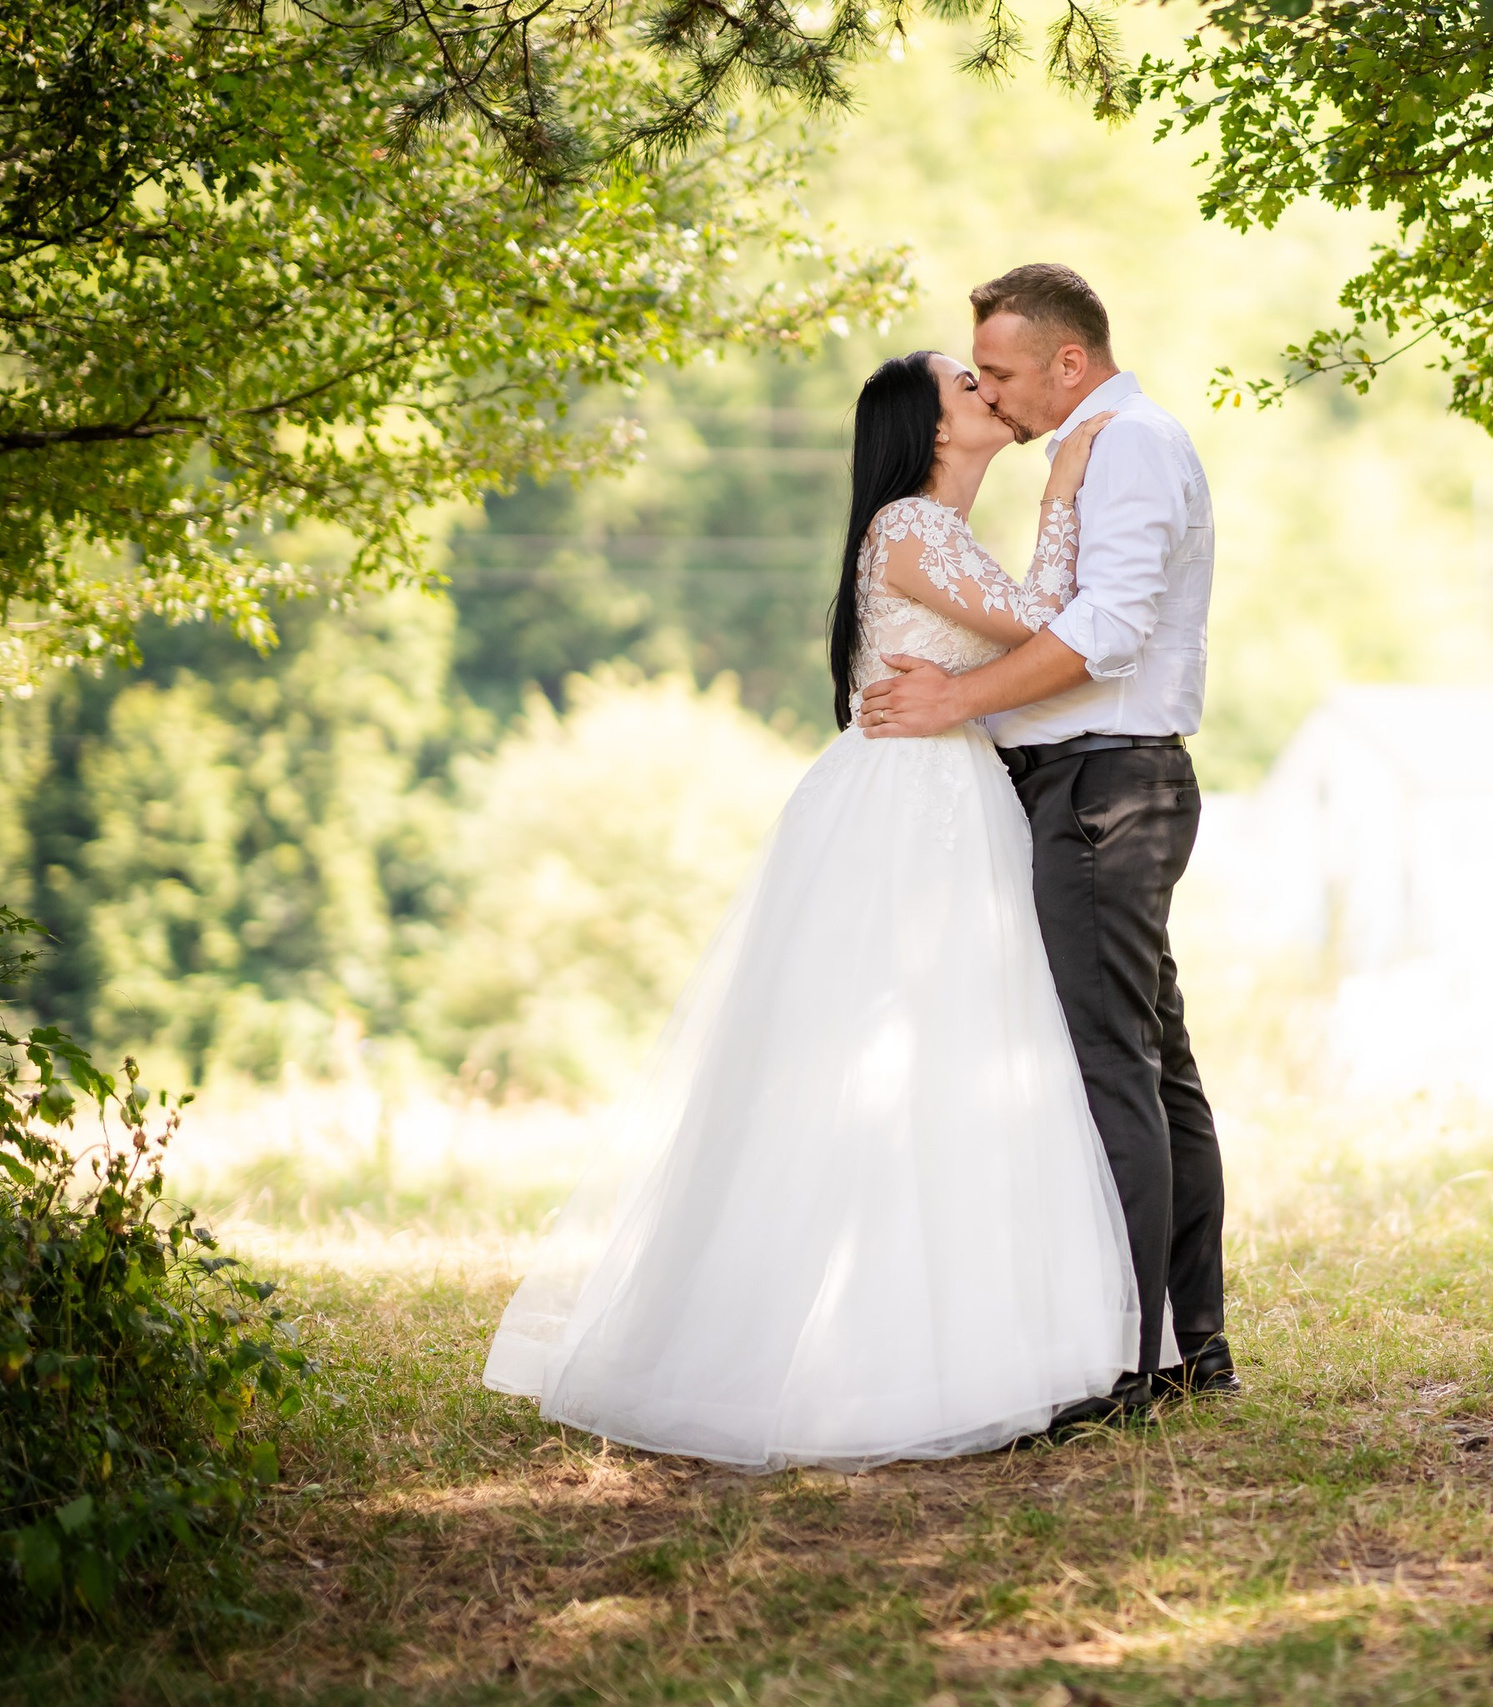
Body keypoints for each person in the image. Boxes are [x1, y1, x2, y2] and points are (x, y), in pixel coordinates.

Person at [480, 350, 1141, 1470]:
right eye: (968, 386)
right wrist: (1070, 486)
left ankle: (954, 1337)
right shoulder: (912, 531)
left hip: (942, 794)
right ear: (932, 430)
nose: (991, 393)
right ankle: (852, 1357)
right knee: (883, 1055)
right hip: (906, 810)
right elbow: (1049, 622)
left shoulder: (936, 536)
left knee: (953, 1056)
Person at [859, 264, 1232, 1425]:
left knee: (1111, 1070)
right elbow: (1058, 615)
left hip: (1103, 790)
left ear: (1069, 362)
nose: (999, 395)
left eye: (1007, 373)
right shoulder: (1098, 447)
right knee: (1151, 1066)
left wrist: (957, 705)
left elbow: (1100, 634)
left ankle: (1127, 1363)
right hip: (1086, 782)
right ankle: (1184, 1346)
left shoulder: (1124, 444)